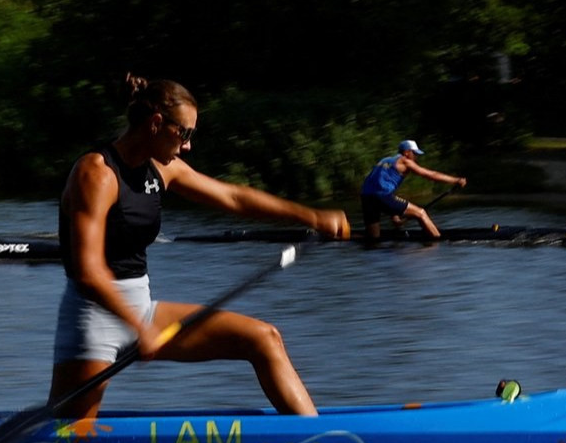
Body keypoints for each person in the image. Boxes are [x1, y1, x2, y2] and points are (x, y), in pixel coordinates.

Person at [51, 74, 351, 419]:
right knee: (71, 438)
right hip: (95, 318)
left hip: (141, 308)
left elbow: (234, 197)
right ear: (156, 123)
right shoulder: (97, 173)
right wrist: (138, 327)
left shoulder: (162, 168)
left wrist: (311, 216)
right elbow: (89, 272)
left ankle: (312, 436)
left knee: (263, 338)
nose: (189, 145)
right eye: (185, 133)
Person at [359, 139, 466, 239]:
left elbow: (379, 185)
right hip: (381, 196)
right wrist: (456, 180)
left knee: (374, 239)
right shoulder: (405, 161)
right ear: (406, 153)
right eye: (414, 154)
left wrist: (394, 215)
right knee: (421, 213)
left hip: (366, 197)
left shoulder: (385, 160)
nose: (416, 157)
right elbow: (430, 174)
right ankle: (438, 241)